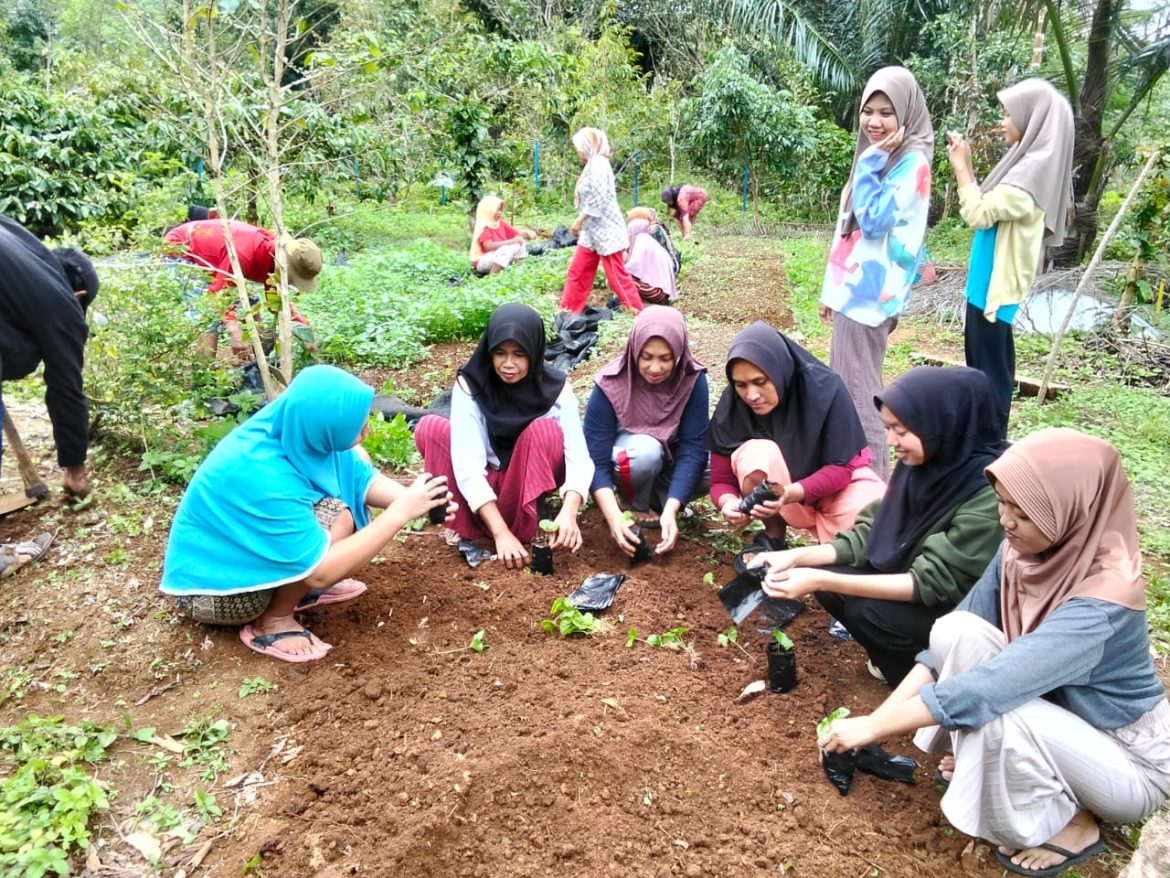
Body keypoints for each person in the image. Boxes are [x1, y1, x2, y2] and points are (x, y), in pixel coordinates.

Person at [819, 428, 1170, 878]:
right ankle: (984, 762)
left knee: (998, 711)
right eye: (1002, 503)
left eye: (1022, 512)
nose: (1005, 520)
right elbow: (940, 651)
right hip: (1056, 715)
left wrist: (870, 725)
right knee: (957, 631)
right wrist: (880, 723)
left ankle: (1077, 821)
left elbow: (991, 689)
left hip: (1125, 760)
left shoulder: (1104, 600)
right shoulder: (1019, 553)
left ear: (1071, 512)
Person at [160, 365, 453, 663]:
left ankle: (296, 592)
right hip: (217, 590)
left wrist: (419, 500)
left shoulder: (297, 428)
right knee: (337, 519)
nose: (368, 431)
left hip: (244, 557)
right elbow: (320, 570)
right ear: (327, 425)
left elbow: (360, 477)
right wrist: (399, 514)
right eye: (360, 426)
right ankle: (273, 620)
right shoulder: (262, 474)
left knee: (353, 465)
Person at [751, 367, 1004, 686]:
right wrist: (795, 558)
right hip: (922, 585)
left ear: (943, 425)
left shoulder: (987, 494)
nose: (890, 441)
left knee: (866, 611)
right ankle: (900, 662)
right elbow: (871, 532)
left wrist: (818, 578)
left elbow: (934, 582)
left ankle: (928, 683)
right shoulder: (928, 465)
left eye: (901, 430)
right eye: (888, 428)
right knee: (834, 586)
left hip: (963, 614)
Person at [819, 66, 933, 479]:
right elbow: (850, 230)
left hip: (870, 298)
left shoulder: (908, 161)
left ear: (906, 114)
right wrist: (832, 291)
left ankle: (877, 496)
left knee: (859, 395)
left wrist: (871, 161)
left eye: (887, 112)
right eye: (869, 111)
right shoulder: (888, 158)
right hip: (856, 292)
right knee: (847, 387)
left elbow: (873, 222)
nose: (874, 121)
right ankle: (862, 484)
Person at [414, 303, 591, 569]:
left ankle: (526, 519)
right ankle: (464, 521)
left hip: (520, 483)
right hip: (483, 478)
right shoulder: (472, 384)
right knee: (430, 428)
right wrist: (500, 533)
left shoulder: (555, 388)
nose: (508, 364)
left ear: (534, 351)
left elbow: (578, 456)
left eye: (519, 354)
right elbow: (468, 466)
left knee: (544, 432)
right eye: (500, 353)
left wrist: (570, 510)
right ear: (489, 351)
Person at [946, 78, 1074, 438]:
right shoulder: (1027, 164)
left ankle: (989, 446)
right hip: (983, 288)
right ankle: (984, 440)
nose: (1002, 121)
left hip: (994, 292)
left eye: (1008, 114)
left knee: (990, 374)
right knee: (987, 367)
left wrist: (961, 167)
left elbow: (978, 213)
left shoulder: (1032, 175)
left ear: (1033, 119)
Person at [707, 322, 885, 547]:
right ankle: (773, 534)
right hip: (781, 495)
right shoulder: (733, 404)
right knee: (757, 453)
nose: (751, 395)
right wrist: (728, 502)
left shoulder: (825, 389)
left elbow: (841, 468)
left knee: (877, 507)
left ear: (779, 369)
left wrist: (788, 493)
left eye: (760, 382)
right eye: (741, 385)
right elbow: (720, 479)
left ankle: (833, 553)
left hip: (832, 490)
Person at [584, 306, 708, 557]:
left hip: (668, 461)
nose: (654, 367)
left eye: (665, 358)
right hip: (630, 462)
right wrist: (614, 518)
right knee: (645, 453)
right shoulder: (611, 383)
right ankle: (632, 503)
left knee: (717, 467)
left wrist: (673, 509)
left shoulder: (692, 380)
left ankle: (662, 503)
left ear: (679, 354)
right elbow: (593, 459)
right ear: (634, 351)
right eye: (646, 356)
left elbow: (693, 449)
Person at [0, 215, 99, 501]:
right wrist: (75, 471)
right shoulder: (62, 301)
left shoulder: (19, 239)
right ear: (79, 295)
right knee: (23, 353)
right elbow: (66, 390)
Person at [163, 218, 322, 356]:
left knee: (251, 303)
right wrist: (234, 329)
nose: (292, 283)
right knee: (209, 317)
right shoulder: (244, 254)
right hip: (181, 250)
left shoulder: (272, 255)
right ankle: (203, 382)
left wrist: (303, 329)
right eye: (293, 279)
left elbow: (276, 301)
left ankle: (255, 361)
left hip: (216, 260)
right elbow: (216, 295)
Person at [559, 128, 643, 315]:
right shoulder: (591, 164)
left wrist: (579, 221)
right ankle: (567, 312)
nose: (578, 153)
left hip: (606, 230)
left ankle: (637, 313)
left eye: (580, 148)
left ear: (588, 146)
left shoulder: (598, 164)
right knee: (578, 271)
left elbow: (598, 199)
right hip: (592, 231)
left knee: (616, 276)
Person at [469, 195, 535, 275]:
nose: (499, 213)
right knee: (506, 249)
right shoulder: (484, 226)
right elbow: (488, 246)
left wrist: (526, 233)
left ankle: (518, 270)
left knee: (520, 242)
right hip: (482, 261)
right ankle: (492, 277)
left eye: (500, 210)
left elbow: (517, 234)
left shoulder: (499, 223)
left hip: (496, 256)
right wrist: (511, 242)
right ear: (489, 211)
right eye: (497, 210)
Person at [624, 219, 677, 306]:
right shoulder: (650, 241)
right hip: (663, 291)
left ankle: (635, 306)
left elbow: (632, 266)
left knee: (621, 279)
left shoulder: (640, 241)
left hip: (655, 292)